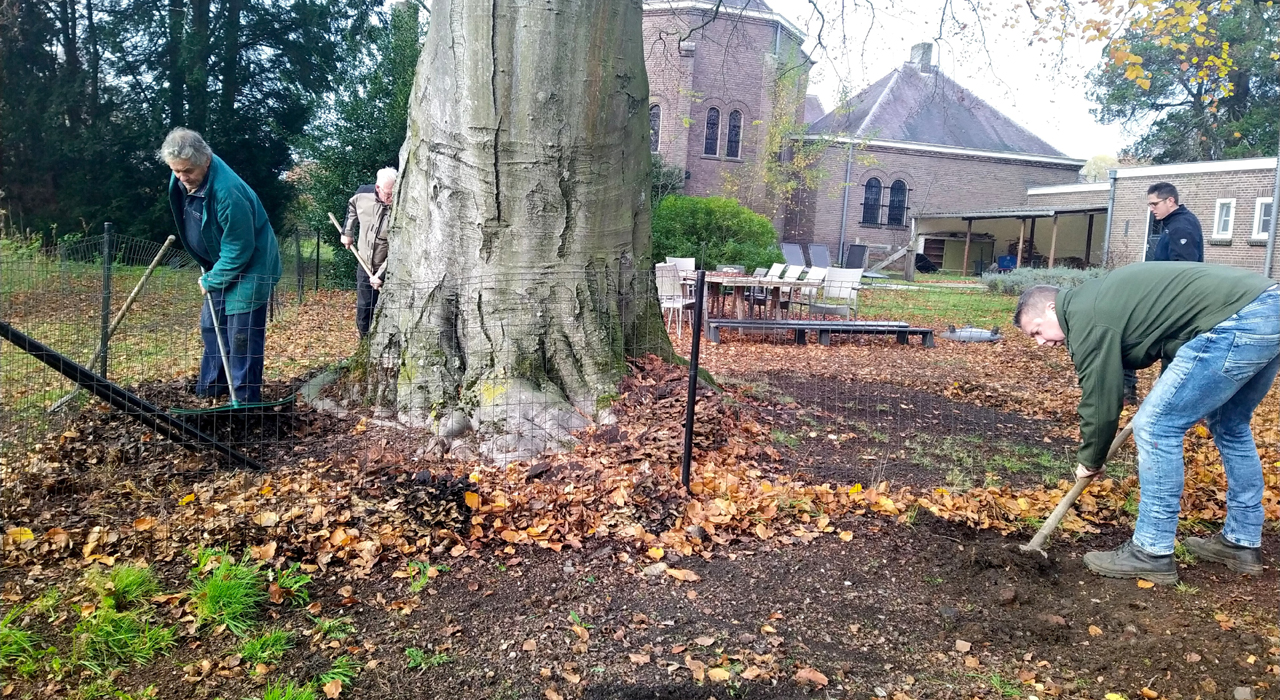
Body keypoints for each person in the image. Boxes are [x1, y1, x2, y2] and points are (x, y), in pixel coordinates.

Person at [1015, 262, 1276, 584]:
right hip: (1266, 307)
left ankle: (1151, 551)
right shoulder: (1101, 299)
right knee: (1230, 426)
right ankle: (1241, 542)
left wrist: (1090, 459)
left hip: (1237, 319)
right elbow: (1175, 336)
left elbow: (1100, 397)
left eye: (1037, 330)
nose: (1040, 342)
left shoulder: (1085, 315)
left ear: (1052, 307)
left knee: (1155, 427)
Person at [161, 128, 281, 404]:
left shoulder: (229, 193)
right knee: (211, 327)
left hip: (252, 267)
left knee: (241, 337)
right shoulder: (186, 172)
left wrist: (211, 280)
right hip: (217, 262)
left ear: (206, 160)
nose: (181, 177)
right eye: (176, 171)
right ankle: (211, 390)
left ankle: (244, 402)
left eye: (187, 171)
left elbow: (239, 250)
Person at [1123, 182, 1206, 404]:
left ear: (1171, 201)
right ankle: (1136, 395)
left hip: (1172, 303)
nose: (1152, 209)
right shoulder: (1172, 223)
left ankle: (1157, 399)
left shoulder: (1181, 226)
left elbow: (1184, 269)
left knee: (1158, 345)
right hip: (1163, 298)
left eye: (1154, 203)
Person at [341, 167, 395, 338]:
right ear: (378, 188)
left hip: (391, 270)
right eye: (388, 194)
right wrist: (347, 233)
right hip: (365, 265)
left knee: (389, 312)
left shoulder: (402, 206)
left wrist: (381, 275)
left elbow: (398, 249)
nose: (391, 198)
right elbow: (352, 207)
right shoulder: (363, 194)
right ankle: (365, 345)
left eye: (394, 193)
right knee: (364, 311)